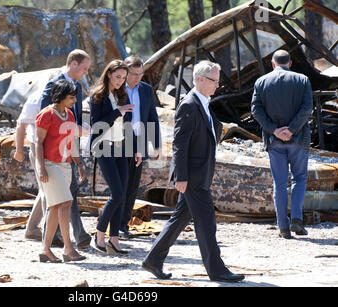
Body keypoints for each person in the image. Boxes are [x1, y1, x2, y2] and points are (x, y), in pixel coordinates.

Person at [142, 60, 245, 283]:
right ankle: (217, 270)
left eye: (218, 81)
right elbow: (180, 143)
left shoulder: (204, 102)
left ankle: (153, 259)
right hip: (193, 177)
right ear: (199, 80)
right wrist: (181, 176)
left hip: (200, 174)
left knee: (180, 219)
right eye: (214, 81)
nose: (218, 85)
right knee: (207, 222)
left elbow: (212, 130)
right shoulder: (189, 104)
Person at [14, 49, 92, 249]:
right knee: (56, 195)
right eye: (84, 68)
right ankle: (58, 239)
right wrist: (42, 160)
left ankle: (45, 234)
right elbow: (44, 124)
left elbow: (73, 117)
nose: (86, 72)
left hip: (66, 146)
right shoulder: (54, 86)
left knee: (59, 194)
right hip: (51, 150)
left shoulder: (77, 88)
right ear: (73, 64)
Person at [251, 50, 312, 239]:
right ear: (290, 63)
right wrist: (292, 129)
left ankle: (283, 227)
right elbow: (307, 107)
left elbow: (255, 109)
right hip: (298, 139)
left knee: (279, 182)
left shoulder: (261, 82)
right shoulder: (302, 80)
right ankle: (296, 219)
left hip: (274, 140)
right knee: (299, 178)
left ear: (272, 63)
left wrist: (274, 130)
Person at [35, 79, 87, 263]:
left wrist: (79, 164)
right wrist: (41, 167)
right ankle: (68, 248)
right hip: (49, 163)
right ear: (61, 97)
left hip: (65, 164)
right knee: (65, 202)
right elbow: (38, 143)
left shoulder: (70, 115)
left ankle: (46, 249)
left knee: (56, 206)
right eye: (71, 97)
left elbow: (72, 142)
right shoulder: (46, 115)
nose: (74, 100)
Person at [88, 60, 135, 255]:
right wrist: (118, 112)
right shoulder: (98, 96)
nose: (120, 81)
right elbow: (95, 124)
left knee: (122, 195)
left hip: (121, 147)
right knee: (116, 194)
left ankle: (113, 239)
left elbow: (127, 124)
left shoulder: (122, 94)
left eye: (123, 78)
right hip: (103, 146)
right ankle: (99, 234)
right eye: (117, 77)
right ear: (108, 74)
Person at [119, 55, 161, 239]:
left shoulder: (145, 90)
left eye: (141, 74)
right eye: (134, 74)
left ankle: (123, 225)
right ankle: (113, 223)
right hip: (119, 142)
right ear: (126, 72)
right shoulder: (117, 90)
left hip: (140, 142)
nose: (137, 77)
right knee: (119, 185)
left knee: (132, 186)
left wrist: (156, 144)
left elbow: (152, 117)